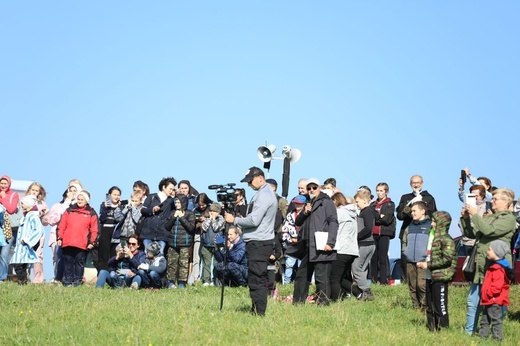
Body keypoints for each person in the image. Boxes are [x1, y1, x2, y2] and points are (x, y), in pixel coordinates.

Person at [460, 187, 516, 335]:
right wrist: (466, 218)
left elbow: (489, 231)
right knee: (473, 301)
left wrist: (475, 215)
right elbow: (472, 234)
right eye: (492, 198)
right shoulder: (490, 216)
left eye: (495, 199)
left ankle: (495, 333)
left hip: (497, 266)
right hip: (480, 263)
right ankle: (469, 332)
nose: (492, 201)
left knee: (496, 301)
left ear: (505, 202)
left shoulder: (509, 219)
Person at [224, 166, 278, 316]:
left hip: (259, 243)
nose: (249, 184)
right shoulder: (262, 193)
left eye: (250, 181)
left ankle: (258, 313)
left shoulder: (264, 195)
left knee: (257, 279)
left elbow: (254, 220)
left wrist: (234, 220)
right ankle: (256, 310)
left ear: (260, 177)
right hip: (257, 241)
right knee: (255, 278)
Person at [292, 178, 338, 306]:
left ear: (320, 188)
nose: (311, 190)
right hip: (309, 245)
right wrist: (305, 213)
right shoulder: (308, 202)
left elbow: (333, 222)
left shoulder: (327, 202)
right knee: (301, 275)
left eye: (314, 187)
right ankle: (298, 303)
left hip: (322, 244)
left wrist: (330, 242)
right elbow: (298, 222)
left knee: (321, 277)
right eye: (309, 188)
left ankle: (323, 304)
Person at [417, 211, 456, 332]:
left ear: (442, 223)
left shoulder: (446, 239)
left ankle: (444, 331)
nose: (432, 224)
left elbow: (447, 259)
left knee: (440, 307)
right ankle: (431, 330)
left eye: (434, 221)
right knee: (429, 305)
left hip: (441, 277)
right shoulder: (433, 237)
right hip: (430, 276)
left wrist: (427, 264)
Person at [397, 175, 437, 283]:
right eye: (414, 183)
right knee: (405, 257)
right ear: (410, 184)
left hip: (423, 233)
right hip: (407, 231)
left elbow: (434, 214)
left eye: (418, 182)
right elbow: (399, 216)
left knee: (422, 257)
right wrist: (407, 210)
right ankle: (405, 281)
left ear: (422, 183)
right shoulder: (405, 197)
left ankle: (423, 280)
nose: (416, 185)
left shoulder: (429, 198)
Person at [57, 190, 98, 287]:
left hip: (82, 243)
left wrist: (92, 242)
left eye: (82, 199)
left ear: (86, 201)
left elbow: (95, 229)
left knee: (79, 263)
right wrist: (60, 237)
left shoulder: (91, 212)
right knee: (68, 262)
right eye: (78, 199)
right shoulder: (69, 210)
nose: (79, 201)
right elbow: (62, 225)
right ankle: (67, 281)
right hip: (68, 242)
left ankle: (77, 282)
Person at [42, 183, 82, 284]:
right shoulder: (58, 206)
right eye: (71, 190)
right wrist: (67, 203)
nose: (73, 193)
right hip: (57, 235)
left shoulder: (80, 207)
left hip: (73, 236)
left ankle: (70, 279)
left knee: (72, 259)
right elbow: (52, 220)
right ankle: (58, 278)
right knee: (58, 258)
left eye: (75, 191)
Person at [478, 240, 513, 341]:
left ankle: (498, 339)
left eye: (489, 250)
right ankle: (482, 337)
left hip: (494, 300)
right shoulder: (494, 266)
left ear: (497, 253)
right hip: (488, 299)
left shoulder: (498, 269)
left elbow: (497, 286)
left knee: (496, 320)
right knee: (485, 319)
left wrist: (488, 293)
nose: (487, 252)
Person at [402, 201, 431, 311]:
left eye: (414, 211)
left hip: (423, 260)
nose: (412, 213)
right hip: (410, 260)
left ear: (423, 211)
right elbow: (404, 241)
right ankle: (416, 309)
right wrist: (405, 252)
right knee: (412, 286)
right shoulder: (410, 226)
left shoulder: (430, 226)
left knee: (421, 286)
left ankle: (425, 309)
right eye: (411, 211)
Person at [9, 195, 45, 285]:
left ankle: (22, 281)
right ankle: (23, 281)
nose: (21, 205)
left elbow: (38, 230)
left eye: (23, 203)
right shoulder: (26, 215)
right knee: (21, 264)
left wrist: (28, 240)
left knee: (18, 264)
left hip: (25, 245)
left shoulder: (33, 216)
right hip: (21, 245)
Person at [330, 193, 359, 301]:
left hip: (341, 249)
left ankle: (334, 300)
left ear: (335, 201)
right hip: (352, 250)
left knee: (334, 278)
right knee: (341, 277)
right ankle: (358, 293)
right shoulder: (352, 214)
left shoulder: (339, 212)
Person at [164, 194, 196, 288]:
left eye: (179, 202)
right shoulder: (172, 212)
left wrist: (182, 218)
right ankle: (171, 282)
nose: (177, 204)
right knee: (171, 263)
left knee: (184, 264)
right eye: (176, 202)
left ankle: (182, 282)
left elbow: (191, 228)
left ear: (183, 203)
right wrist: (174, 217)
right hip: (172, 243)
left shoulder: (190, 213)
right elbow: (167, 227)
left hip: (185, 244)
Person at [139, 177, 177, 255]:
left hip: (162, 234)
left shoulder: (171, 201)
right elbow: (142, 210)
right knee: (147, 254)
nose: (171, 191)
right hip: (148, 232)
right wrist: (152, 210)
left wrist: (175, 196)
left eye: (173, 189)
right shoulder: (151, 197)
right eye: (170, 189)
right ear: (163, 187)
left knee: (160, 254)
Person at [352, 188, 377, 300]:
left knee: (356, 268)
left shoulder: (366, 211)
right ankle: (365, 294)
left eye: (357, 201)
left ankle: (367, 291)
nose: (356, 204)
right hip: (370, 244)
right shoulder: (370, 211)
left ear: (364, 200)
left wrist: (356, 237)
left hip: (365, 244)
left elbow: (368, 228)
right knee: (362, 269)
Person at [369, 183, 396, 285]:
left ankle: (383, 281)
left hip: (384, 233)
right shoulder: (372, 204)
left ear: (386, 191)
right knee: (373, 258)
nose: (379, 193)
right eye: (378, 191)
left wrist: (378, 217)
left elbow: (387, 219)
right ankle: (374, 281)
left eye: (381, 191)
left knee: (382, 258)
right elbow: (370, 218)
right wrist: (380, 216)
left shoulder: (390, 204)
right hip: (373, 234)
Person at [24, 182, 49, 283]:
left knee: (38, 255)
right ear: (29, 190)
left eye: (36, 190)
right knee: (25, 255)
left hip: (38, 233)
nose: (34, 192)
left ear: (39, 193)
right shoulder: (24, 201)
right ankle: (25, 277)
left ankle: (38, 279)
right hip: (26, 232)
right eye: (32, 189)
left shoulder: (42, 204)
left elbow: (45, 222)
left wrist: (43, 215)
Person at [281, 195, 306, 284]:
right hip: (291, 244)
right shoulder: (290, 215)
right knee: (289, 265)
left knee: (301, 265)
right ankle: (286, 284)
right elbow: (285, 228)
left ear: (304, 204)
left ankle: (302, 283)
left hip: (303, 244)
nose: (297, 206)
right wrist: (289, 239)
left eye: (300, 204)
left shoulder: (307, 214)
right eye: (296, 204)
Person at [96, 186, 122, 272]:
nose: (116, 197)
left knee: (114, 253)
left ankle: (112, 272)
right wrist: (104, 208)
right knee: (103, 253)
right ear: (109, 195)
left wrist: (119, 207)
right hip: (105, 231)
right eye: (114, 194)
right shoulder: (104, 205)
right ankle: (102, 273)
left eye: (118, 195)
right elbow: (102, 219)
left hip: (116, 232)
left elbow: (120, 219)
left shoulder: (122, 206)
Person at [0, 175, 20, 283]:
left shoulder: (14, 195)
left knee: (5, 253)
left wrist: (3, 198)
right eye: (1, 183)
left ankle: (2, 277)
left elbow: (11, 209)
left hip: (9, 228)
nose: (3, 186)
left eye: (5, 183)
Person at [200, 202, 226, 286]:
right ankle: (206, 280)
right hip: (206, 243)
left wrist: (214, 220)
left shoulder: (221, 220)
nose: (211, 212)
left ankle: (215, 279)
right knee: (206, 263)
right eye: (210, 210)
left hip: (218, 243)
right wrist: (209, 220)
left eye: (214, 211)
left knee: (216, 263)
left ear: (218, 212)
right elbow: (204, 228)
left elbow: (216, 228)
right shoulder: (207, 219)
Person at [191, 193, 213, 283]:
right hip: (197, 234)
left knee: (207, 258)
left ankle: (207, 277)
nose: (201, 207)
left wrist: (206, 219)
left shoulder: (211, 209)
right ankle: (196, 277)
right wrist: (195, 220)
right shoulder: (195, 210)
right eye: (199, 205)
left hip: (208, 235)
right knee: (196, 257)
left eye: (203, 204)